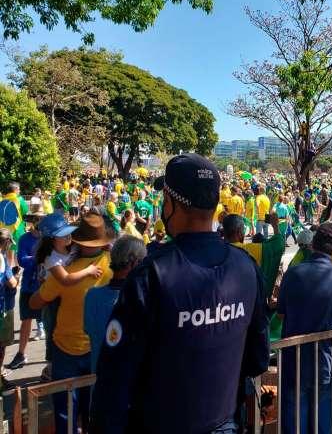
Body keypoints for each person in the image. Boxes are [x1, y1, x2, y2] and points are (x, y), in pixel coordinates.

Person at [90, 153, 269, 433]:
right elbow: (258, 357)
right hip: (224, 421)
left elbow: (114, 379)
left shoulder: (151, 274)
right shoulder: (245, 267)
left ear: (171, 203)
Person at [29, 213, 114, 433]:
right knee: (91, 406)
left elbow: (35, 302)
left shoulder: (65, 272)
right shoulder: (113, 265)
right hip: (99, 346)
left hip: (66, 347)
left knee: (65, 408)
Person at [278, 223, 332, 434]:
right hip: (323, 359)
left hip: (294, 358)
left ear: (312, 245)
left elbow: (281, 313)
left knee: (294, 419)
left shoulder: (294, 273)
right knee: (322, 418)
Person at [84, 236, 146, 374]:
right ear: (134, 262)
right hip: (130, 384)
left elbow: (89, 330)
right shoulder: (141, 299)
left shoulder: (92, 295)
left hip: (100, 379)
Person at [5, 212, 46, 371]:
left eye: (42, 219)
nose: (39, 222)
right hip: (30, 286)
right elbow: (22, 259)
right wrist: (39, 257)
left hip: (46, 286)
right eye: (36, 219)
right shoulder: (24, 238)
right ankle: (21, 354)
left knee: (50, 322)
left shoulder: (49, 238)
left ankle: (50, 362)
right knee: (26, 320)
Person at [223, 213, 285, 301]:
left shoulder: (216, 249)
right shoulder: (250, 250)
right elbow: (279, 244)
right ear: (239, 232)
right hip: (248, 302)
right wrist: (275, 225)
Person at [0, 229, 18, 389]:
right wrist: (16, 278)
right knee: (1, 344)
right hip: (3, 306)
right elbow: (11, 282)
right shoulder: (2, 258)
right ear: (5, 243)